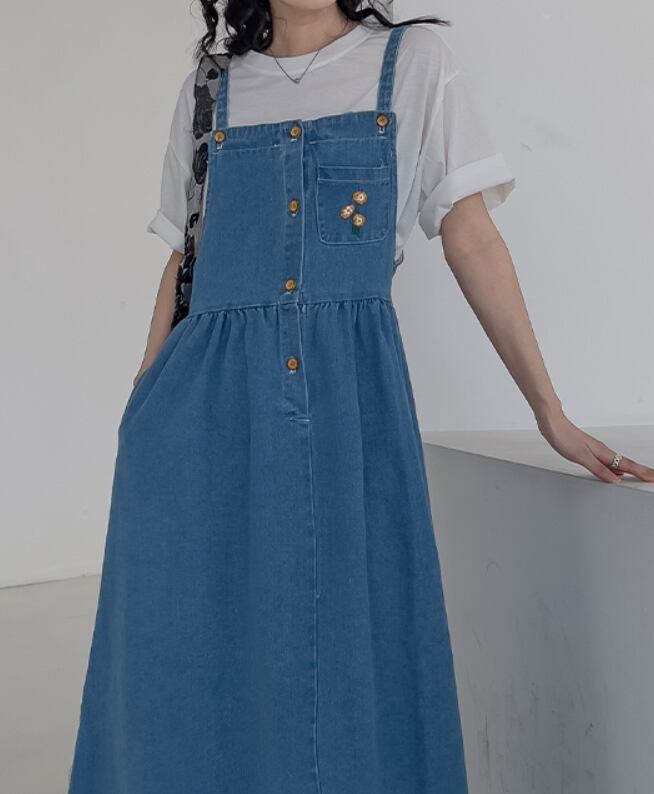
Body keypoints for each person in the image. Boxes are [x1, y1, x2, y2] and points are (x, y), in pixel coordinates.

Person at [67, 3, 654, 793]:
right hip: (204, 414)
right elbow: (184, 258)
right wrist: (144, 401)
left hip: (351, 404)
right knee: (191, 651)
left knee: (353, 649)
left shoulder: (413, 63)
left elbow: (472, 236)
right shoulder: (209, 88)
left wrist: (548, 410)